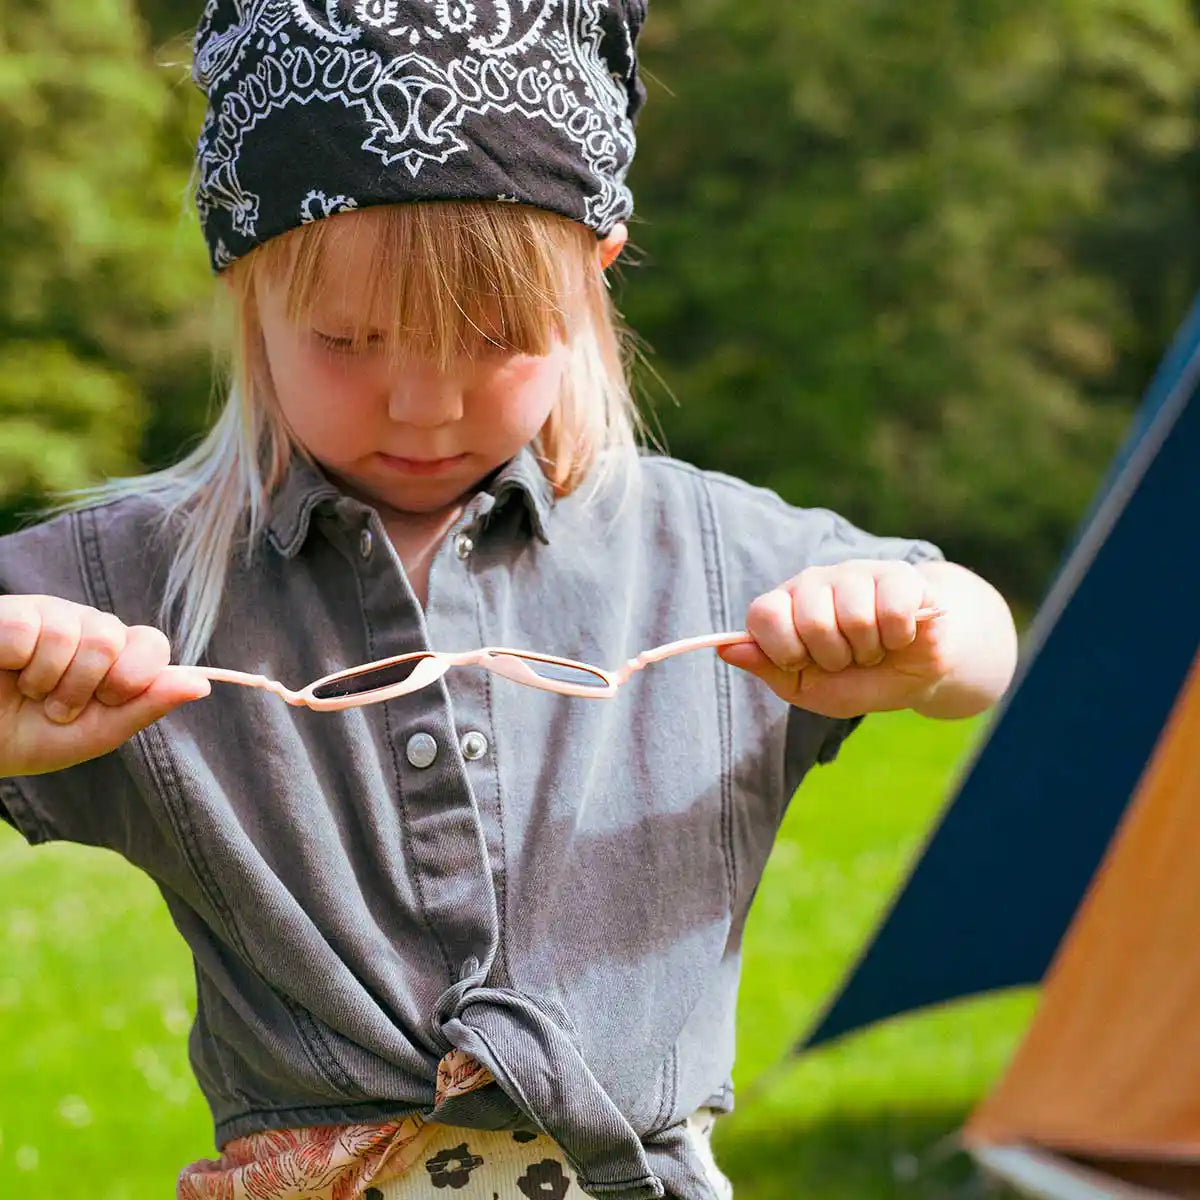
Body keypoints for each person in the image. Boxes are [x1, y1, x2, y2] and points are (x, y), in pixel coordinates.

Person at [0, 3, 1018, 1198]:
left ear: (595, 272)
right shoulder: (147, 584)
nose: (424, 404)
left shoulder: (696, 550)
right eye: (351, 338)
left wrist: (928, 637)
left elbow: (979, 637)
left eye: (495, 335)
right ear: (245, 290)